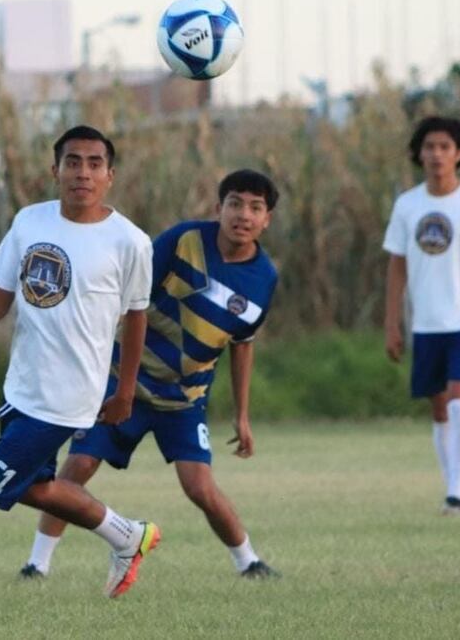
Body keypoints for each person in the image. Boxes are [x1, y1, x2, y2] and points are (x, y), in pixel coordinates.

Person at [0, 125, 159, 615]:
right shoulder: (29, 221)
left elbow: (136, 317)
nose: (82, 172)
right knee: (34, 487)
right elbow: (2, 296)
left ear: (110, 174)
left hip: (69, 398)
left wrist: (125, 391)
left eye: (94, 163)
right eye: (73, 161)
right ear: (55, 169)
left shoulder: (130, 241)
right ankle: (128, 535)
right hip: (23, 387)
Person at [19, 169, 281, 581]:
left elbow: (242, 343)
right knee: (80, 464)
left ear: (266, 219)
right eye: (234, 203)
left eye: (255, 208)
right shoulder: (183, 241)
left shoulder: (264, 278)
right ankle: (37, 564)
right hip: (125, 383)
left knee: (199, 487)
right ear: (218, 208)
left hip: (184, 400)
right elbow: (129, 298)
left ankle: (249, 562)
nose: (243, 215)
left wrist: (242, 415)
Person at [383, 116, 460, 515]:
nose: (436, 154)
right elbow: (396, 267)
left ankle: (458, 493)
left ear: (459, 154)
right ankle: (451, 486)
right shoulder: (408, 204)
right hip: (426, 324)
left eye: (445, 147)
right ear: (419, 154)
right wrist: (392, 324)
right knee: (439, 409)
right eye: (429, 147)